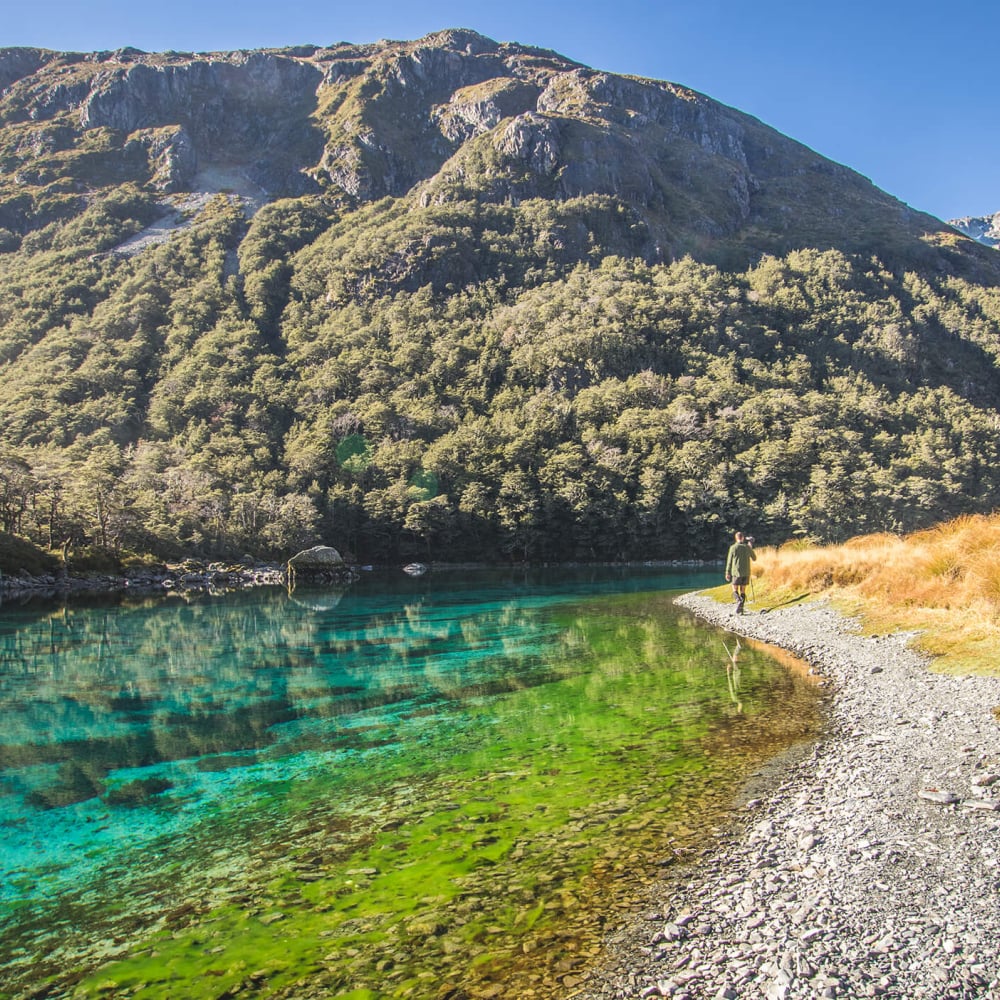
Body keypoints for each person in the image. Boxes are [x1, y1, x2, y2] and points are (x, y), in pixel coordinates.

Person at [725, 530, 756, 614]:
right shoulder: (747, 547)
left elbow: (729, 561)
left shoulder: (733, 548)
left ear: (736, 538)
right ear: (742, 538)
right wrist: (750, 547)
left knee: (734, 588)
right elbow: (754, 558)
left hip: (736, 572)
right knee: (743, 590)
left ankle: (738, 601)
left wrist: (727, 572)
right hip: (746, 572)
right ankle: (741, 608)